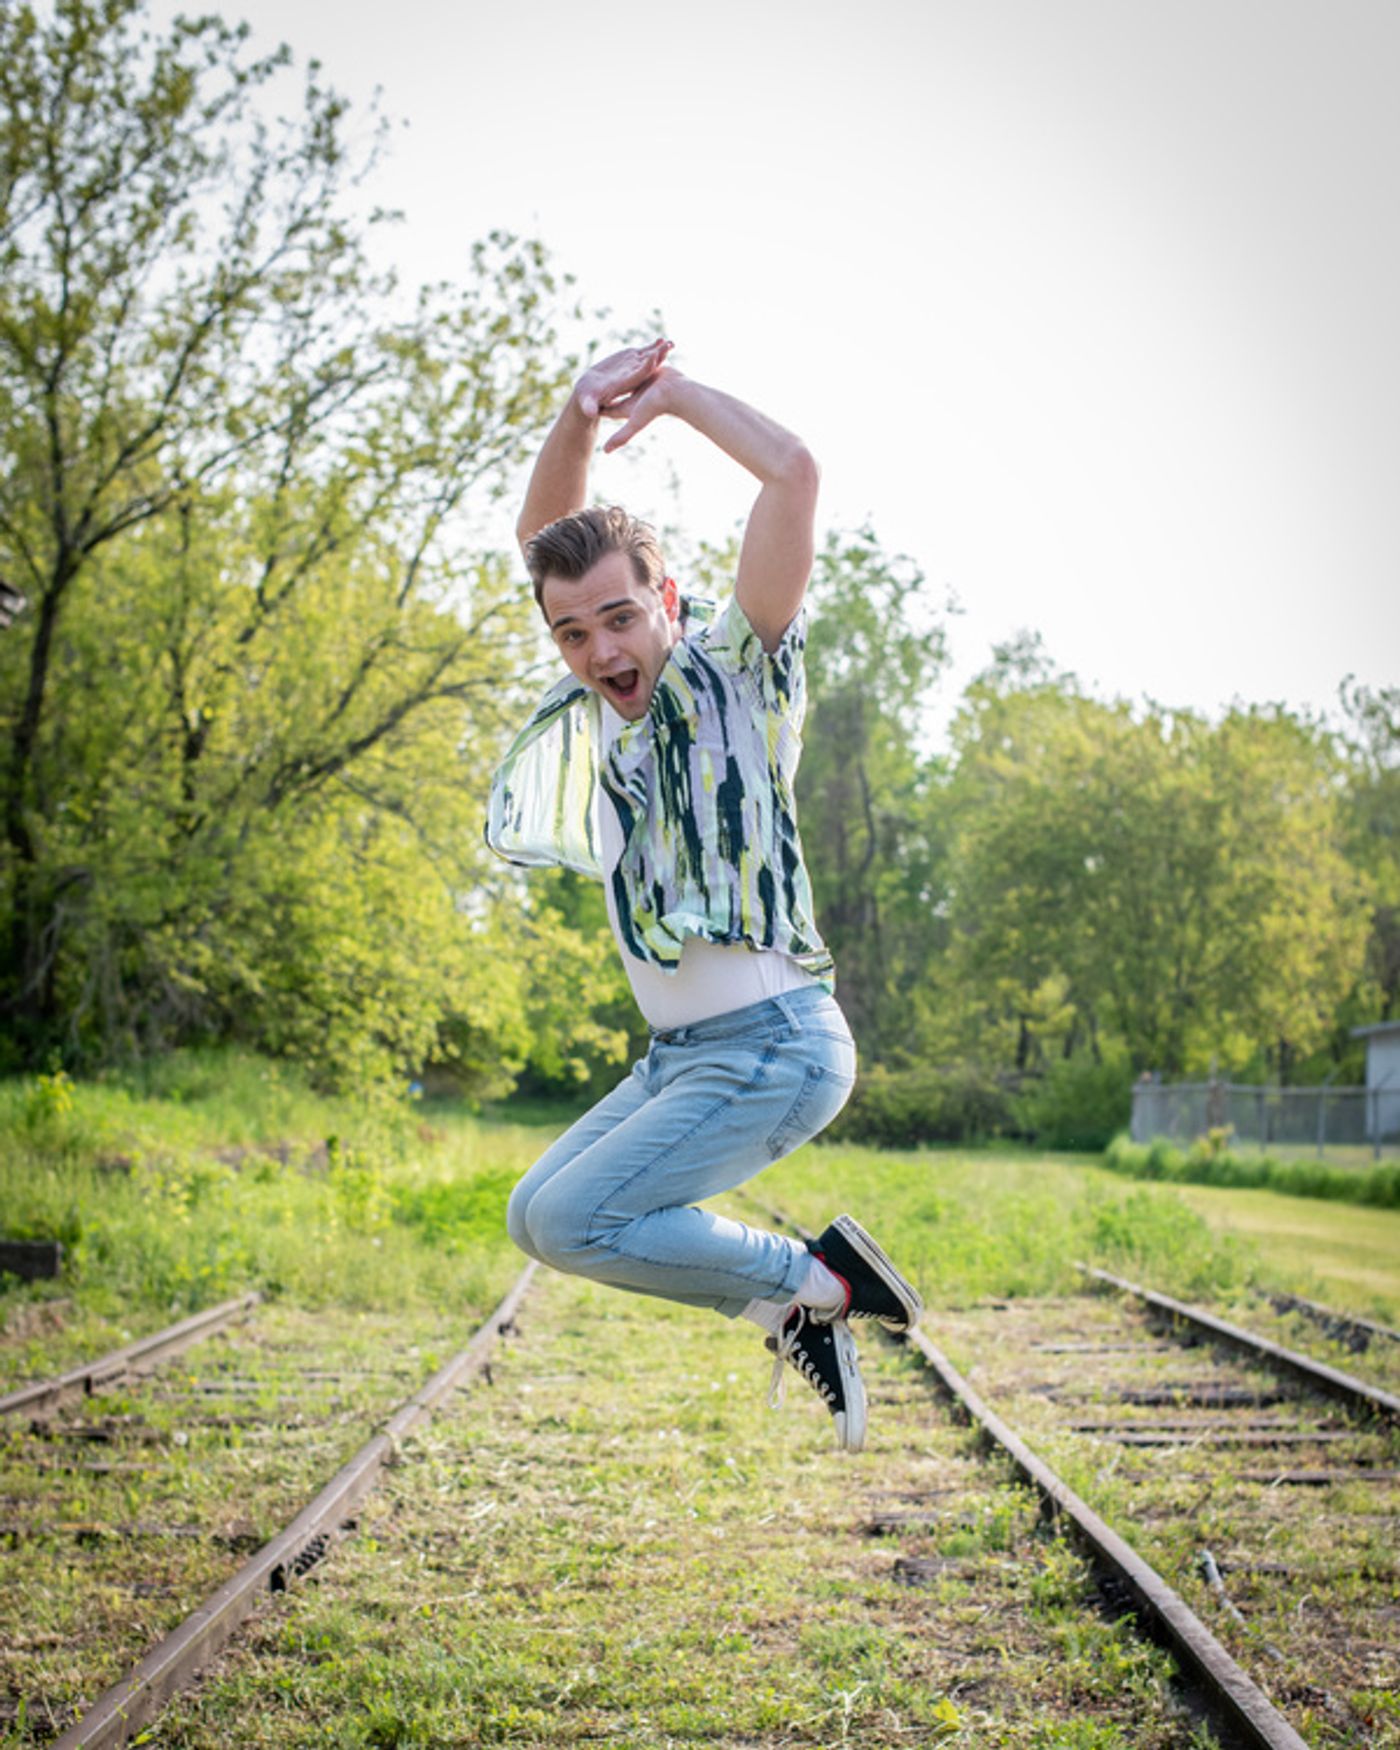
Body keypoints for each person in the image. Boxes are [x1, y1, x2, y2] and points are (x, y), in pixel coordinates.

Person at [485, 339, 921, 1452]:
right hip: (679, 1057)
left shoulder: (740, 677)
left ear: (665, 601)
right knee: (537, 1216)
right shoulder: (598, 721)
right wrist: (577, 415)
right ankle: (787, 1308)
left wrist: (672, 400)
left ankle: (815, 1281)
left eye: (619, 619)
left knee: (584, 1216)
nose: (598, 649)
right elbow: (544, 545)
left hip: (775, 1043)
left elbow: (793, 475)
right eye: (572, 632)